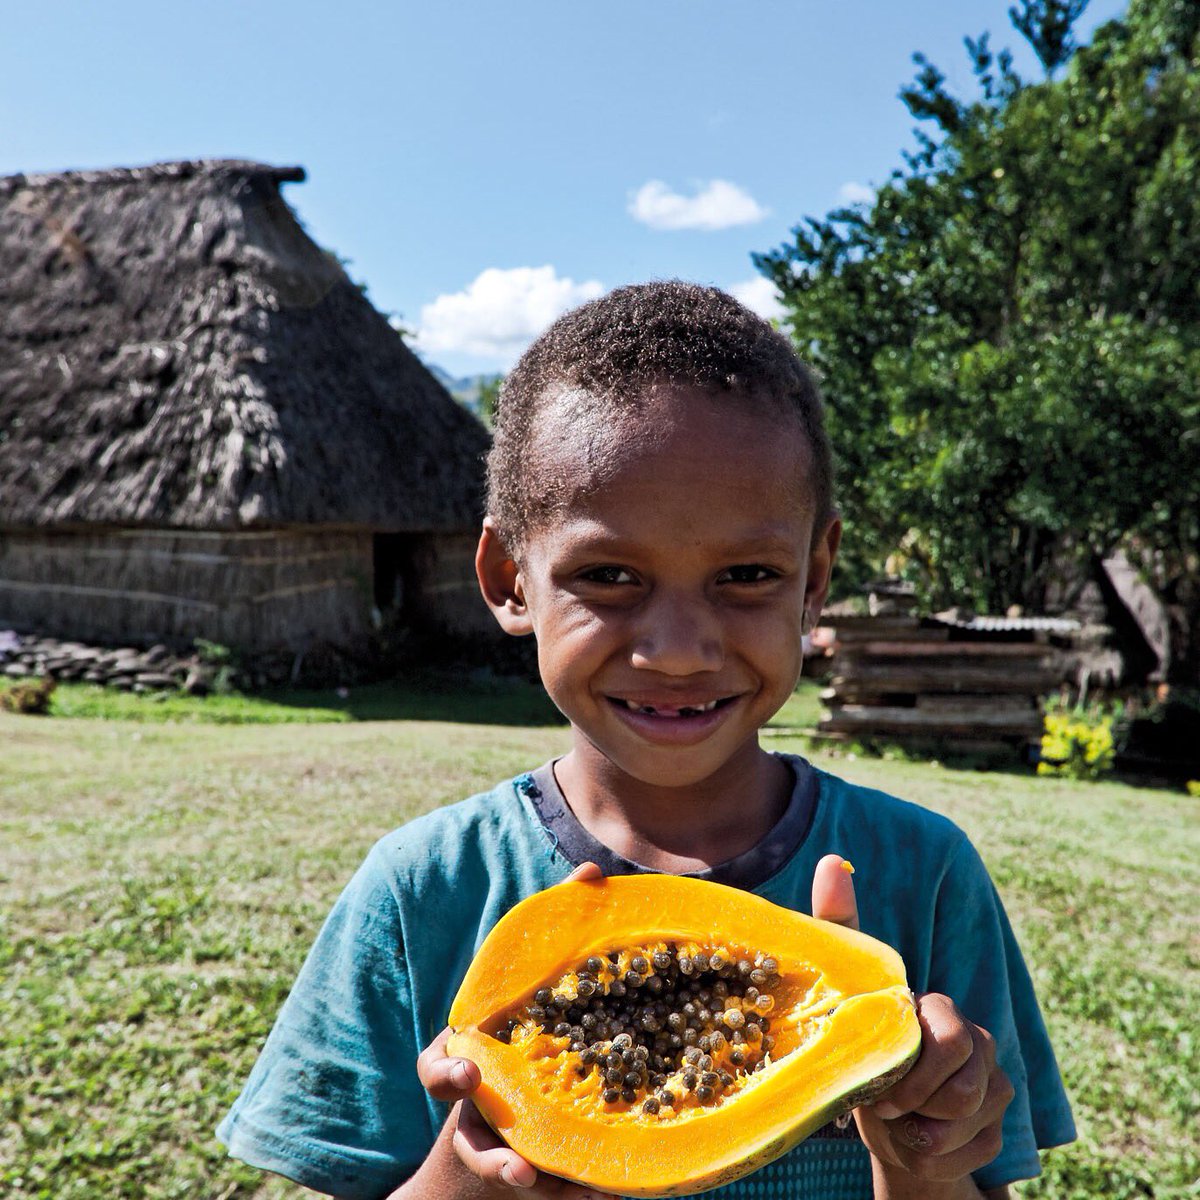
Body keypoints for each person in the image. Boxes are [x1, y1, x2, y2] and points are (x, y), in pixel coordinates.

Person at [217, 282, 1074, 1199]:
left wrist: (921, 1162)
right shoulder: (419, 892)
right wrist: (473, 1178)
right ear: (511, 580)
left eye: (746, 575)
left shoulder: (925, 876)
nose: (675, 651)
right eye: (609, 575)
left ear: (815, 578)